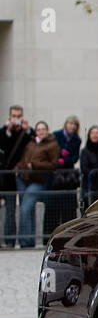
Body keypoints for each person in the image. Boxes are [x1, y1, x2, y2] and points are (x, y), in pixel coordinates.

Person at [14, 121, 59, 247]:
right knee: (28, 210)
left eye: (43, 129)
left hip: (38, 180)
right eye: (38, 129)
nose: (40, 132)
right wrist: (19, 167)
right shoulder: (32, 142)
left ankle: (25, 241)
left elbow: (53, 165)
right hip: (22, 178)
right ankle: (29, 240)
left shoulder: (52, 144)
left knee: (24, 208)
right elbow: (24, 157)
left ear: (47, 130)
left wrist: (35, 165)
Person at [1, 105, 33, 247]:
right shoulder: (3, 132)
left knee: (25, 208)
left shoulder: (26, 132)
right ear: (9, 117)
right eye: (14, 116)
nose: (16, 119)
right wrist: (7, 130)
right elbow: (3, 147)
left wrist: (27, 130)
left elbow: (32, 147)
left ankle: (26, 240)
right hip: (7, 178)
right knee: (10, 210)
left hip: (23, 176)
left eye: (19, 116)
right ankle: (9, 241)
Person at [49, 115, 83, 229]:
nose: (72, 126)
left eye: (74, 124)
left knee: (69, 205)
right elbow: (51, 151)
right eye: (70, 123)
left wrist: (66, 159)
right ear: (66, 124)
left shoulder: (77, 140)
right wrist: (58, 157)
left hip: (68, 174)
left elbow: (75, 157)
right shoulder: (56, 135)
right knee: (54, 205)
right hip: (56, 172)